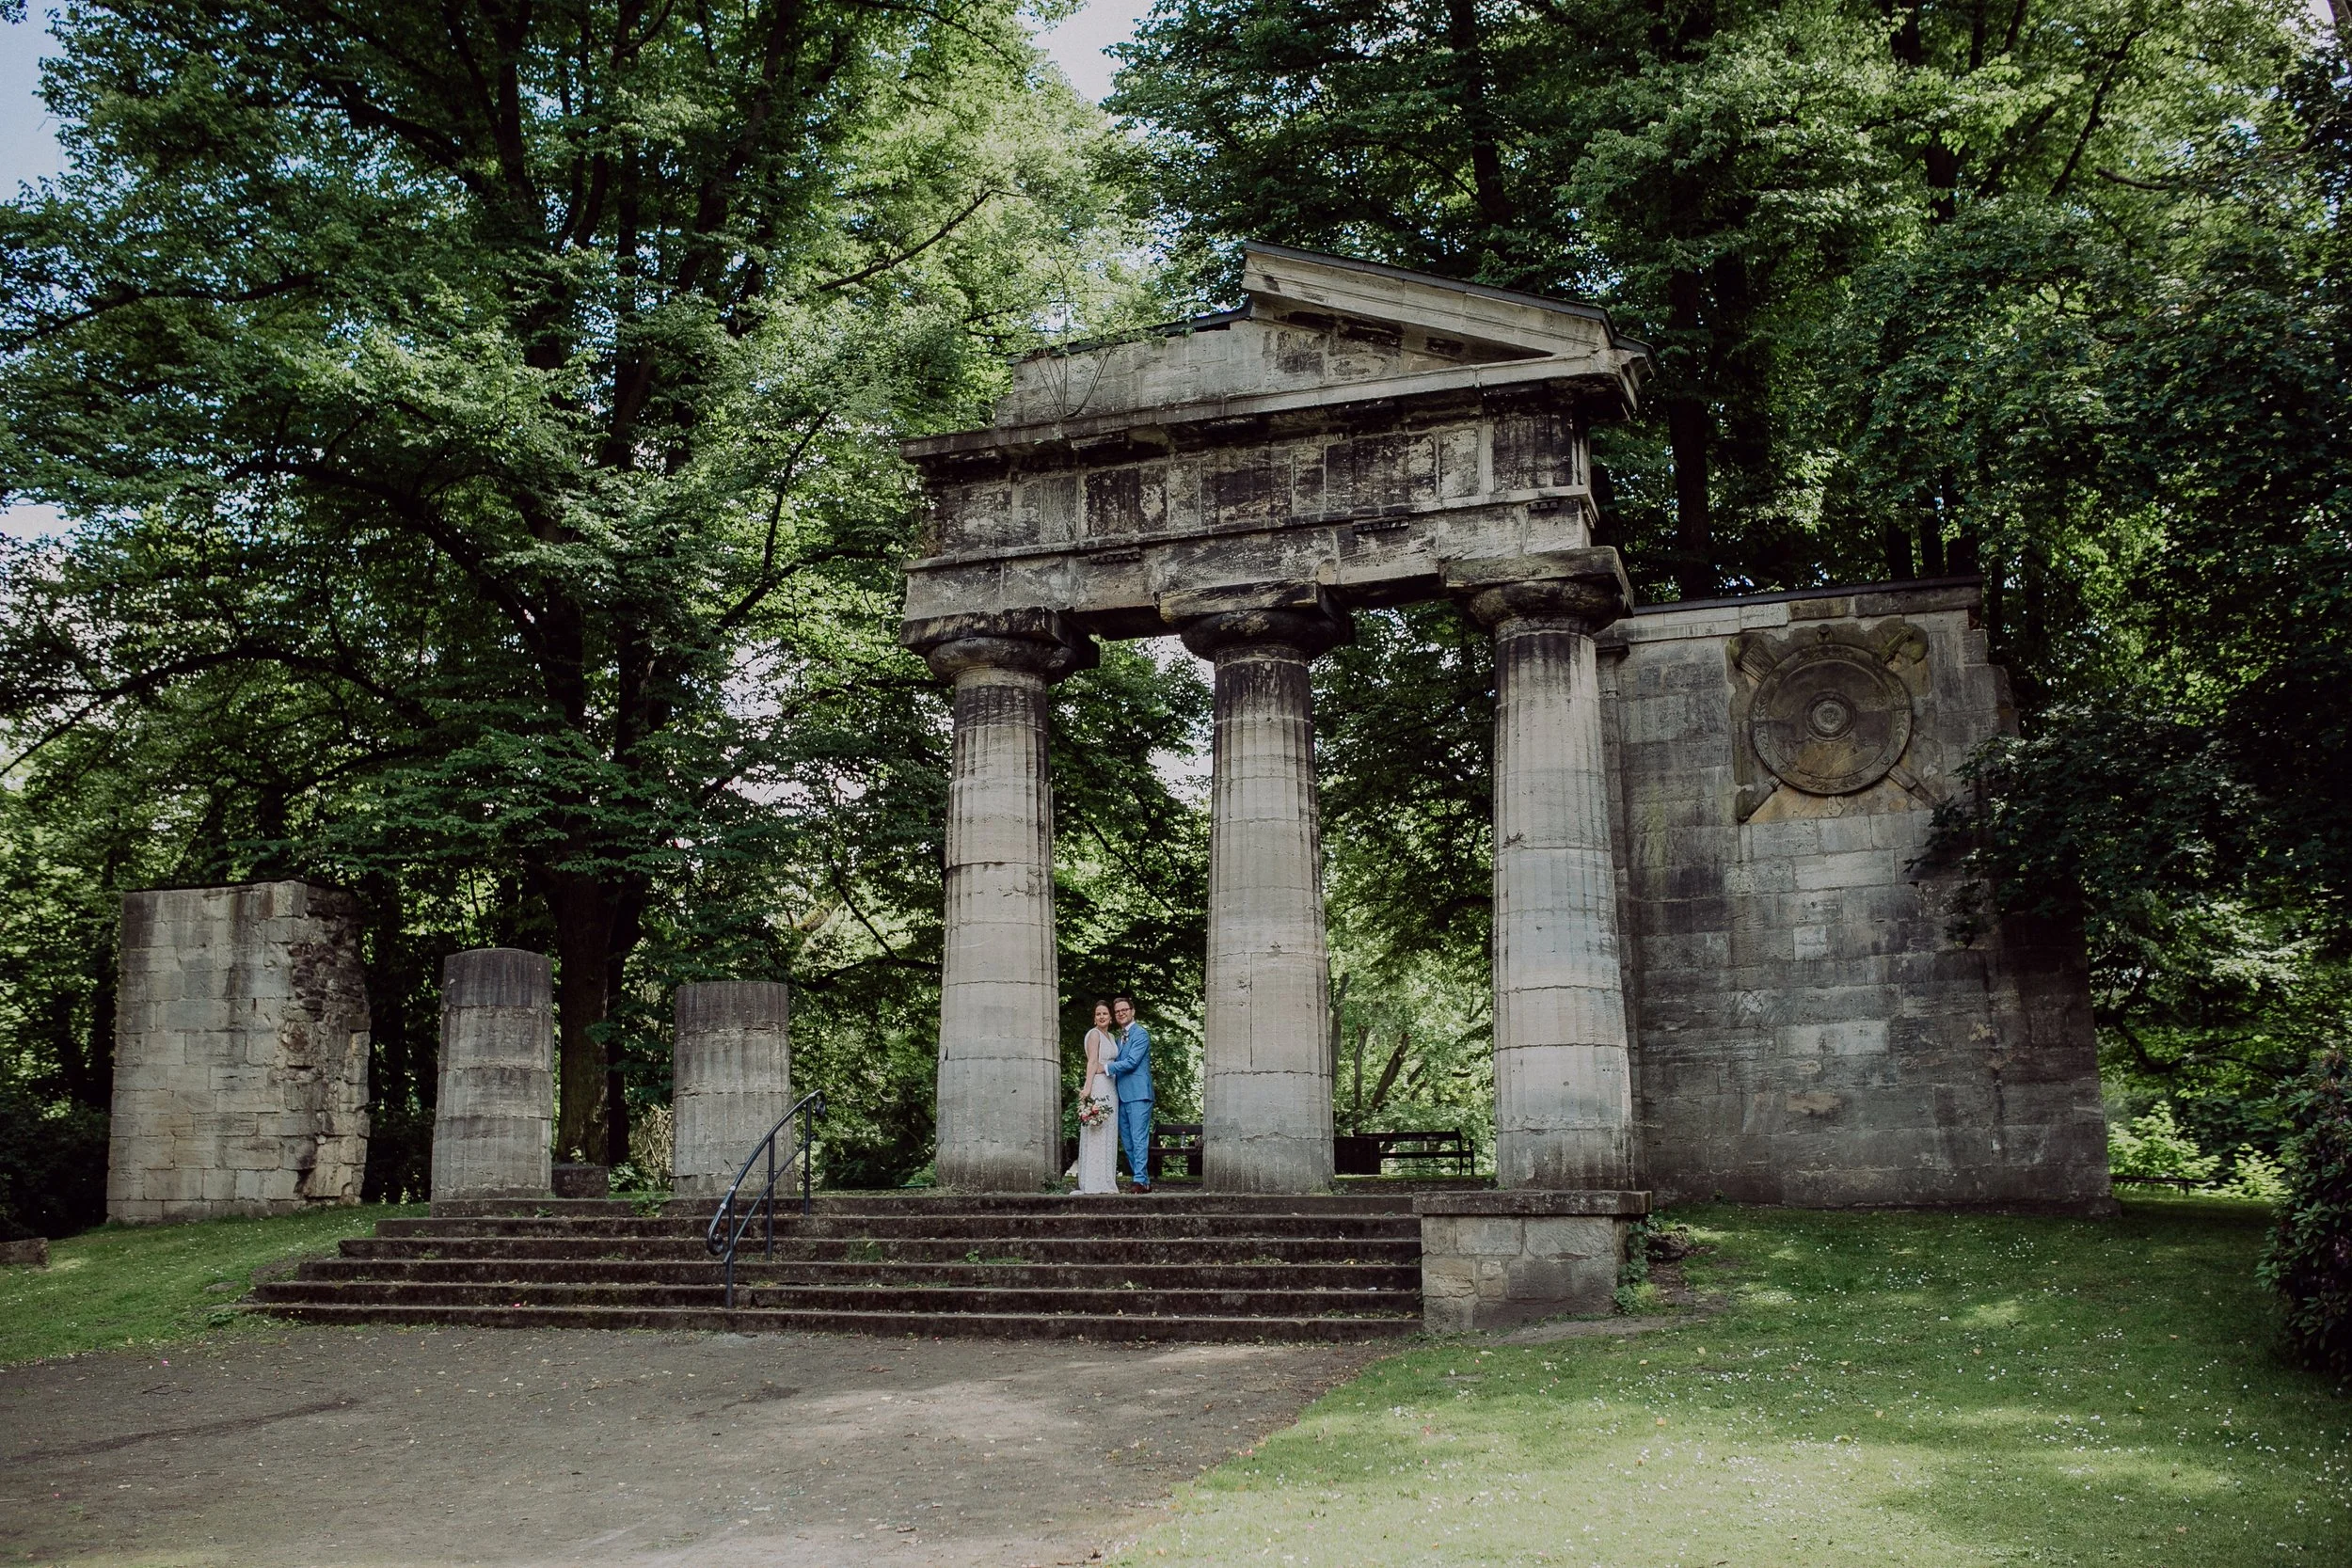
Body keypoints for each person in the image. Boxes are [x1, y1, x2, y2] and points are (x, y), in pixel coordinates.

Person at [1105, 994, 1154, 1194]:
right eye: (1117, 1012)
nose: (1121, 1013)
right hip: (1122, 1095)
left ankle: (1139, 1180)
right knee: (1127, 1141)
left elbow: (1133, 1062)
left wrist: (1106, 1068)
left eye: (1124, 1010)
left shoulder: (1141, 1034)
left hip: (1139, 1094)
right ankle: (1142, 1179)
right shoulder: (1119, 1038)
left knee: (1138, 1138)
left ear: (1132, 1011)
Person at [1074, 1001, 1120, 1195]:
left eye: (1105, 1013)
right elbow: (1092, 1061)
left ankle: (1107, 1180)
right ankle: (1093, 1181)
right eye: (1098, 1014)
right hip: (1099, 1085)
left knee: (1108, 1131)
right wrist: (1087, 1089)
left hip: (1111, 1087)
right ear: (1095, 1017)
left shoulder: (1111, 1036)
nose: (1101, 1016)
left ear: (1111, 1017)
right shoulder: (1094, 1035)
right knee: (1097, 1131)